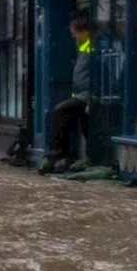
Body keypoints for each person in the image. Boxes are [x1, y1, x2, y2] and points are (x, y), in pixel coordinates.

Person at [41, 15, 94, 174]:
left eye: (74, 32)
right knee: (85, 126)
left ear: (84, 31)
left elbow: (98, 76)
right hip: (81, 96)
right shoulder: (83, 47)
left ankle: (58, 153)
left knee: (60, 111)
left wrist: (91, 100)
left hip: (86, 97)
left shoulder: (92, 48)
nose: (73, 35)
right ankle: (81, 156)